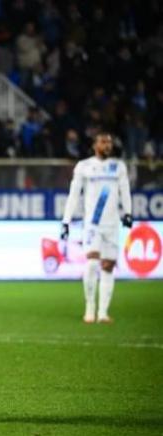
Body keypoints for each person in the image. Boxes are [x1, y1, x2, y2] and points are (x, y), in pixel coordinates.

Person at [61, 131, 133, 324]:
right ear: (95, 145)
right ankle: (90, 308)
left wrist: (128, 212)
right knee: (92, 263)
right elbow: (74, 195)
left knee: (108, 267)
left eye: (109, 142)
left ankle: (103, 313)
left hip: (112, 224)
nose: (107, 145)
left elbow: (125, 191)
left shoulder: (118, 167)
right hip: (92, 224)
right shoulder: (84, 166)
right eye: (103, 142)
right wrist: (66, 221)